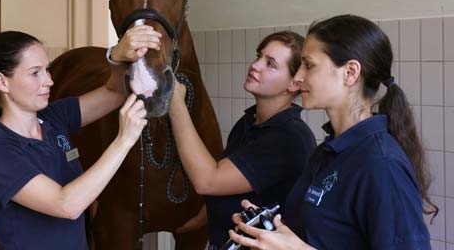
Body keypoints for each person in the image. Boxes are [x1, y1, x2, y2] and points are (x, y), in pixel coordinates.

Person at [229, 14, 438, 250]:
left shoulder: (382, 164)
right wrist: (273, 232)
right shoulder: (327, 152)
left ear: (350, 72)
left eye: (308, 65)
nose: (297, 77)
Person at [0, 26, 161, 250]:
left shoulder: (53, 117)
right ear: (2, 82)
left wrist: (116, 56)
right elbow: (67, 205)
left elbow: (115, 92)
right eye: (35, 73)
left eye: (47, 70)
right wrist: (123, 141)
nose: (49, 81)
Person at [169, 31, 316, 250]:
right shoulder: (248, 122)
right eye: (259, 56)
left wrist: (175, 104)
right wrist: (200, 220)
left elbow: (208, 180)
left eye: (270, 64)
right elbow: (229, 185)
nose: (255, 65)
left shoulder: (288, 137)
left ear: (294, 84)